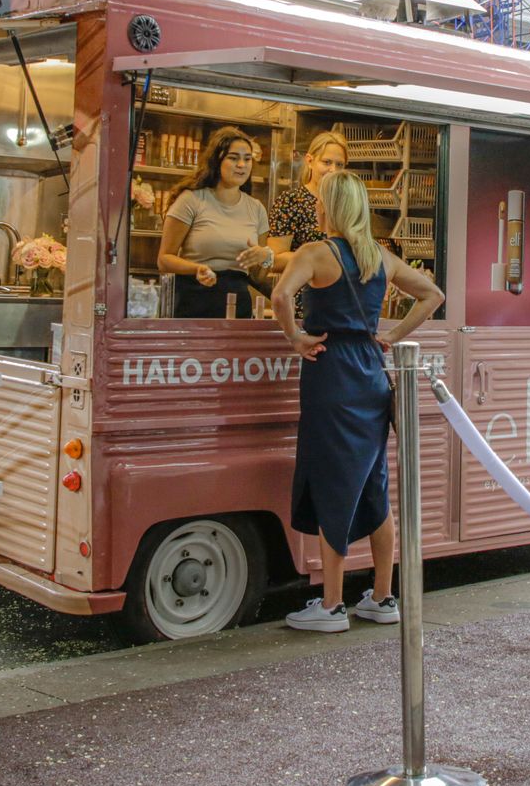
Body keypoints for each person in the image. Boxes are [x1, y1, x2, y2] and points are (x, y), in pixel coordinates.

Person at [272, 171, 445, 632]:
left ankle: (331, 605)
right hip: (371, 373)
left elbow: (280, 294)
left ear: (326, 206)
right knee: (373, 487)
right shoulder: (379, 258)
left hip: (331, 375)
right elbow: (432, 295)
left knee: (334, 484)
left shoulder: (314, 254)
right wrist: (391, 336)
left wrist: (295, 337)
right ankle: (383, 597)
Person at [159, 127, 273, 319]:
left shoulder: (256, 208)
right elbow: (164, 259)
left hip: (237, 304)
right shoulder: (192, 200)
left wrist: (265, 257)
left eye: (247, 159)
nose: (241, 165)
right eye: (233, 158)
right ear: (216, 160)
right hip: (194, 298)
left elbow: (257, 277)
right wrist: (197, 269)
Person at [268, 131, 347, 284]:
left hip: (342, 297)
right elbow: (274, 261)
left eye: (339, 165)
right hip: (303, 297)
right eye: (327, 162)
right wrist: (320, 260)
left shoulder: (347, 203)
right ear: (310, 161)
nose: (333, 170)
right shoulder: (291, 201)